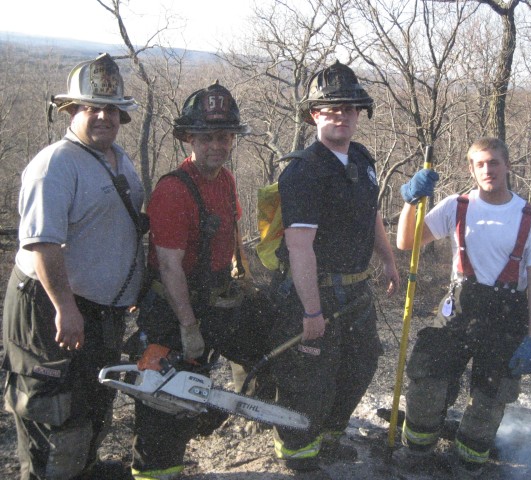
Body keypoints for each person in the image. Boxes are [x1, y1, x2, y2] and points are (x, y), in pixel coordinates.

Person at [2, 53, 144, 480]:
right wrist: (65, 306)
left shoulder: (118, 158)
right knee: (53, 411)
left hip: (99, 310)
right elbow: (43, 242)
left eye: (111, 108)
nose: (103, 116)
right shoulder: (56, 164)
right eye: (91, 107)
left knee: (91, 398)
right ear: (71, 111)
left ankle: (83, 470)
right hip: (52, 308)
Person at [130, 81, 268, 480]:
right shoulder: (174, 191)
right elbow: (170, 267)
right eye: (207, 137)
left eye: (224, 137)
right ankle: (156, 472)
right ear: (189, 138)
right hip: (172, 312)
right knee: (164, 406)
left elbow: (233, 230)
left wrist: (242, 275)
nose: (217, 145)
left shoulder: (225, 180)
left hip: (213, 300)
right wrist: (189, 327)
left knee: (265, 343)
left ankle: (237, 416)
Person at [395, 137, 531, 478]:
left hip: (507, 315)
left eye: (494, 163)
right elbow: (406, 242)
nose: (487, 170)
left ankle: (468, 462)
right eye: (479, 164)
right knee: (426, 378)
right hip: (459, 309)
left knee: (490, 397)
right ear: (471, 168)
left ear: (507, 165)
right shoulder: (457, 205)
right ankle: (418, 453)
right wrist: (411, 201)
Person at [269, 60, 400, 474]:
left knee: (361, 363)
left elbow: (371, 215)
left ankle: (327, 436)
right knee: (311, 378)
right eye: (331, 109)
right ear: (314, 115)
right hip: (315, 291)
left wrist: (388, 260)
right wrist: (311, 310)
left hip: (356, 291)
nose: (341, 115)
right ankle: (298, 454)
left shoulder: (362, 160)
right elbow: (299, 248)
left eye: (349, 107)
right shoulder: (304, 172)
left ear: (359, 113)